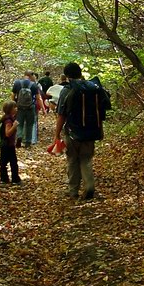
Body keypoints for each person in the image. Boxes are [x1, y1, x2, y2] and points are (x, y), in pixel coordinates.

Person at [54, 62, 96, 200]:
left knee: (72, 160)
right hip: (90, 132)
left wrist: (57, 134)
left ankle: (73, 191)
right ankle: (89, 186)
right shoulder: (92, 88)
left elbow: (61, 115)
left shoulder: (67, 90)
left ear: (67, 76)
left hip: (72, 133)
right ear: (80, 73)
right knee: (86, 159)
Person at [12, 70, 39, 148]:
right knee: (29, 125)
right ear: (31, 75)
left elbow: (13, 95)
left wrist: (14, 105)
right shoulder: (33, 85)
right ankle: (28, 143)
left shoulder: (17, 83)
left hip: (19, 107)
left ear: (24, 75)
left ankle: (19, 137)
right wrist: (44, 110)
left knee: (19, 123)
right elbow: (38, 98)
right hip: (30, 108)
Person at [0, 101, 22, 184]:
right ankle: (12, 179)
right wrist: (14, 126)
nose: (16, 109)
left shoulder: (7, 118)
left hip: (6, 144)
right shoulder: (8, 120)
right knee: (12, 163)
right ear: (10, 109)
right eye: (14, 107)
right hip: (7, 145)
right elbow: (7, 133)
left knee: (5, 162)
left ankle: (5, 179)